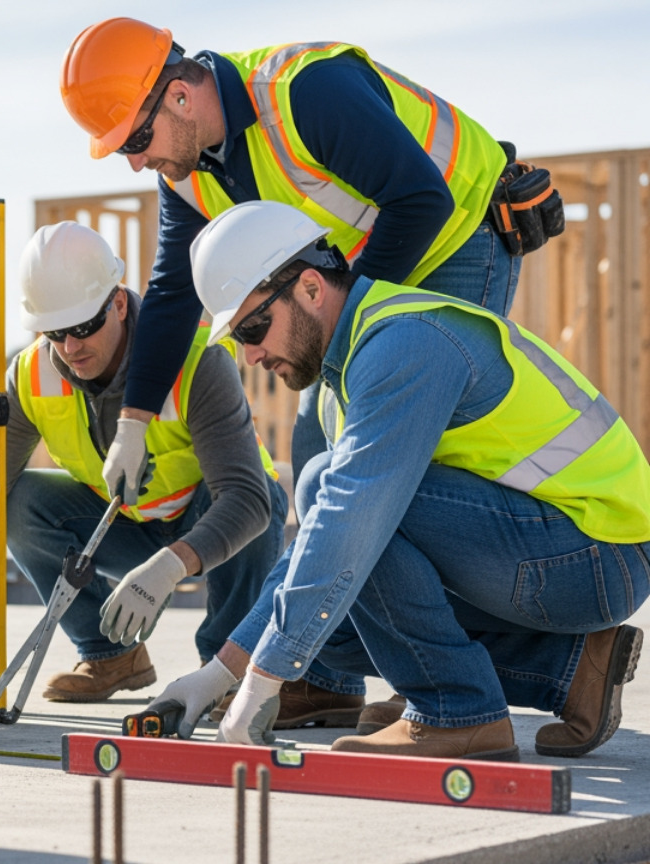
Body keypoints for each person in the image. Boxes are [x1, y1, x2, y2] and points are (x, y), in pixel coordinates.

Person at [59, 18, 549, 722]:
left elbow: (420, 198)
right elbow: (172, 292)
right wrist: (133, 421)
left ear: (181, 98)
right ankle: (319, 674)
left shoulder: (302, 93)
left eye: (136, 140)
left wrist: (342, 329)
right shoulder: (191, 171)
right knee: (316, 457)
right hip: (364, 275)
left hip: (456, 236)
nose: (136, 163)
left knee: (384, 473)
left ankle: (450, 697)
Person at [148, 200, 649, 760]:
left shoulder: (404, 342)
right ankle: (572, 671)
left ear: (311, 289)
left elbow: (351, 514)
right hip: (552, 549)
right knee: (328, 631)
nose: (252, 353)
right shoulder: (349, 374)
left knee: (332, 500)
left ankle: (455, 709)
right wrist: (221, 675)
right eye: (239, 339)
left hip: (598, 551)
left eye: (255, 327)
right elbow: (312, 552)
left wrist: (266, 679)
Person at [0, 222, 283, 705]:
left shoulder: (196, 356)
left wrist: (168, 568)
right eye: (55, 332)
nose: (70, 347)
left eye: (83, 327)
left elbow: (248, 500)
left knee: (258, 495)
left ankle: (223, 670)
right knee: (14, 502)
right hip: (124, 525)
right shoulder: (30, 374)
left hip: (216, 525)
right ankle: (110, 655)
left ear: (119, 303)